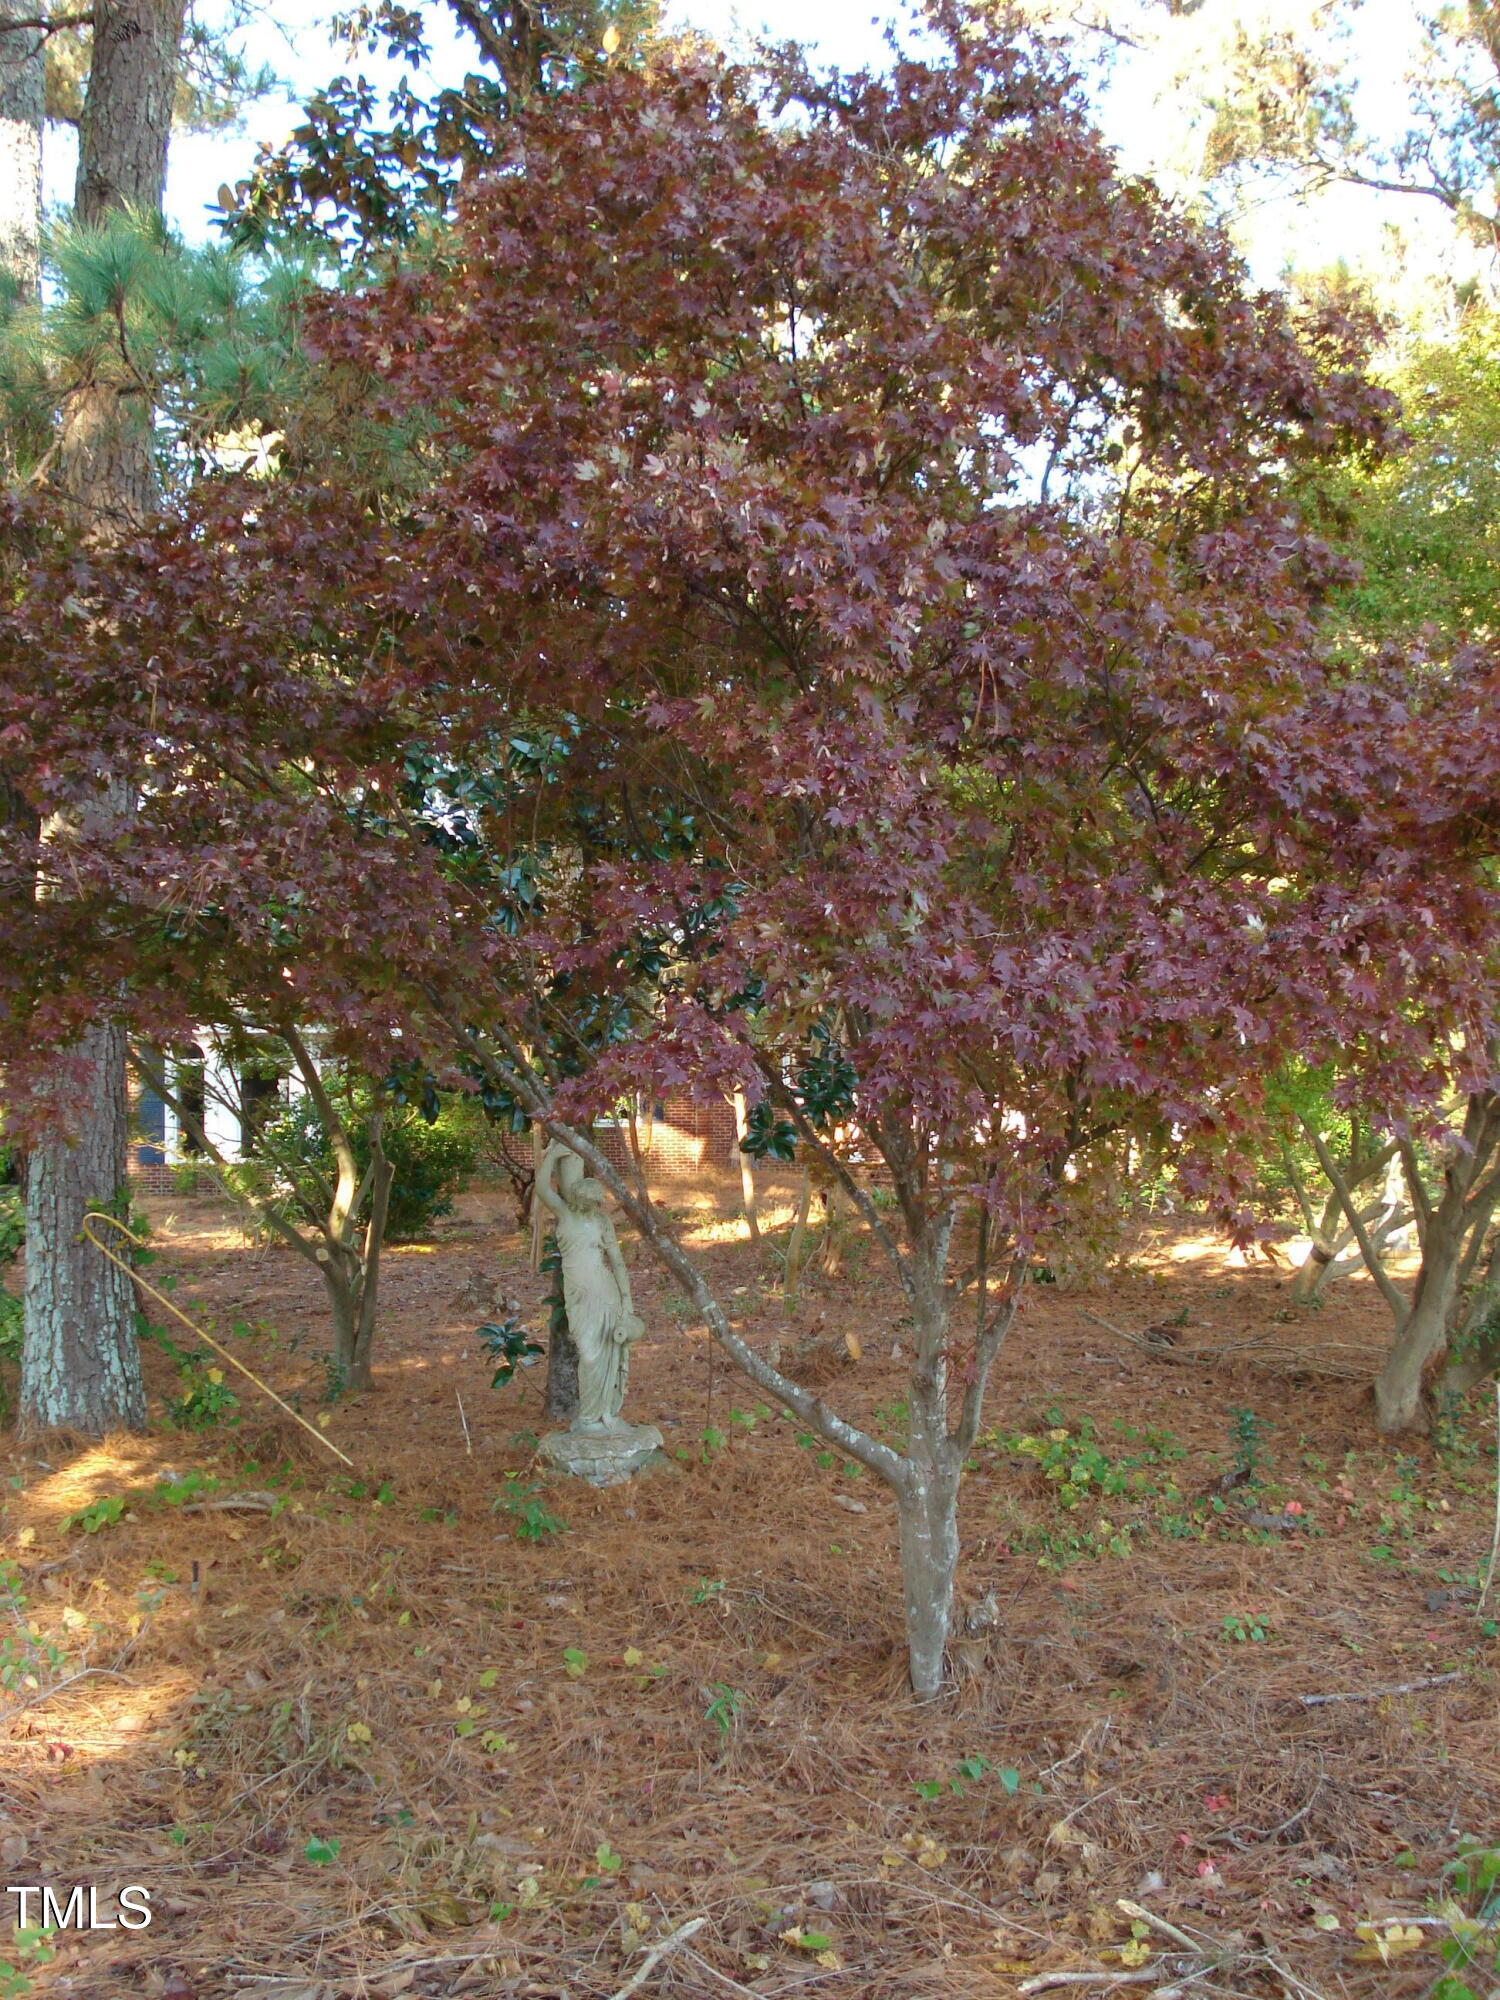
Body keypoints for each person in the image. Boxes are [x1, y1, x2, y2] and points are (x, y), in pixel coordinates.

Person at [534, 1143, 645, 1430]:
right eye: (590, 1202)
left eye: (596, 1202)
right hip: (579, 1295)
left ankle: (607, 1413)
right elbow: (543, 1189)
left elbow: (617, 1262)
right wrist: (552, 1157)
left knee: (609, 1351)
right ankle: (587, 1417)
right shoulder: (566, 1214)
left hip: (605, 1291)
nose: (594, 1207)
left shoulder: (601, 1221)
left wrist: (626, 1300)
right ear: (578, 1199)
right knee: (589, 1353)